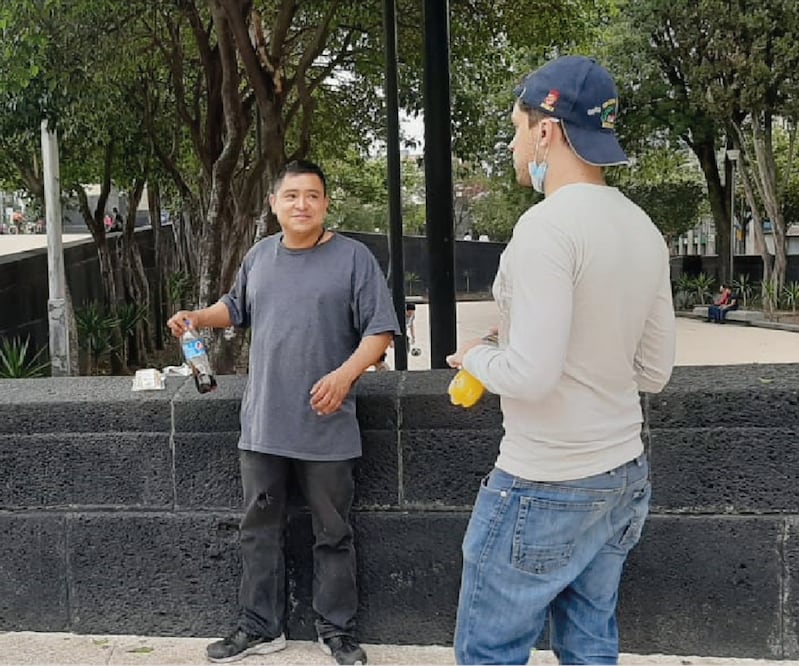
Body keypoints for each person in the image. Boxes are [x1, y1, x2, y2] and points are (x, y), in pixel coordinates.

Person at [446, 55, 676, 665]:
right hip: (622, 474)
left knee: (489, 652)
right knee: (590, 645)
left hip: (543, 479)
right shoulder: (642, 227)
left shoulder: (546, 228)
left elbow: (531, 375)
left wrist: (479, 354)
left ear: (546, 128)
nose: (518, 146)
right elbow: (653, 371)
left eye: (519, 130)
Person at [167, 160, 399, 665]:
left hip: (328, 424)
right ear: (273, 204)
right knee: (258, 530)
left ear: (325, 203)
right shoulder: (259, 256)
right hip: (263, 423)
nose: (301, 205)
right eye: (291, 196)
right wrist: (198, 317)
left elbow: (379, 332)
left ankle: (337, 632)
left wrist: (344, 376)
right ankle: (258, 628)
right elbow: (236, 306)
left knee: (333, 533)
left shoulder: (353, 259)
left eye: (312, 195)